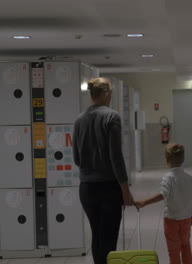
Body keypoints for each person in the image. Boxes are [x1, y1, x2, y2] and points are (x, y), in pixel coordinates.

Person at [73, 77, 134, 264]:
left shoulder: (79, 120)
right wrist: (125, 190)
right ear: (106, 93)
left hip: (86, 189)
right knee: (109, 238)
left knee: (97, 235)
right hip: (108, 189)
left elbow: (76, 158)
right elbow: (116, 158)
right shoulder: (111, 117)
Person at [135, 143, 192, 264]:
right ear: (183, 159)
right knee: (186, 247)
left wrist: (144, 202)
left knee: (174, 251)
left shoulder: (168, 178)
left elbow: (163, 194)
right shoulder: (189, 178)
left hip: (172, 220)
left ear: (166, 161)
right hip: (186, 220)